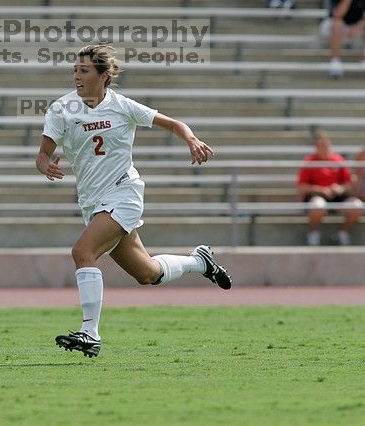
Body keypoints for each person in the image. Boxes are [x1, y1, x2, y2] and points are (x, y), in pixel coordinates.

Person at [36, 44, 232, 358]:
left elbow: (173, 124)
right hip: (93, 203)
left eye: (83, 71)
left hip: (124, 194)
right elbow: (43, 155)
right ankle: (201, 262)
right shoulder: (62, 109)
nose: (76, 76)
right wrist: (46, 165)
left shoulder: (122, 106)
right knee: (147, 273)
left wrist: (192, 139)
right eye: (75, 70)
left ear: (103, 76)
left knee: (82, 252)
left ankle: (90, 332)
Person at [297, 132, 362, 246]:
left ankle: (342, 232)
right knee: (318, 206)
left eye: (326, 145)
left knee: (357, 206)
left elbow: (349, 183)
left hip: (337, 195)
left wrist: (340, 188)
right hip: (316, 194)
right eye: (321, 145)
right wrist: (321, 190)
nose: (324, 148)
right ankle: (313, 233)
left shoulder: (338, 160)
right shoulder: (309, 162)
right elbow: (302, 186)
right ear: (316, 147)